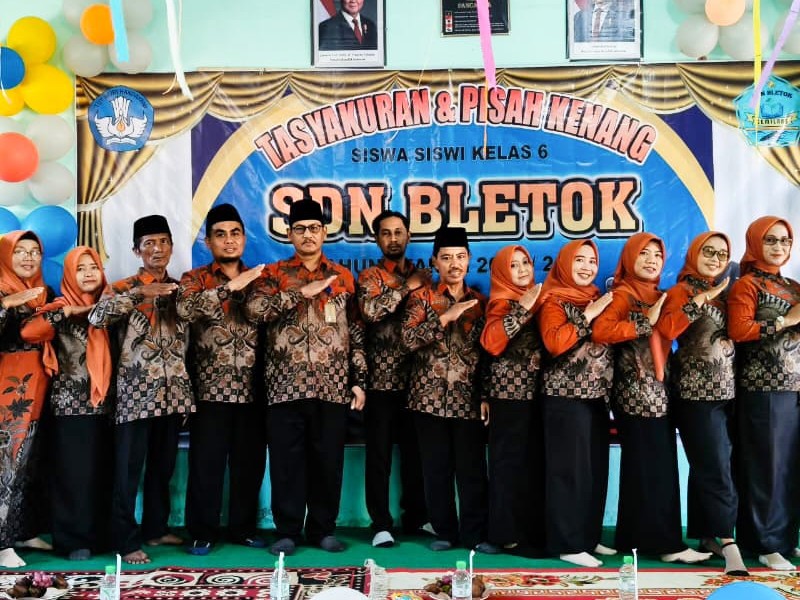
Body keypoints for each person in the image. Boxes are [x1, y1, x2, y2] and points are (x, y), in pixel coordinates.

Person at [245, 198, 367, 556]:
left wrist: (358, 379)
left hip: (332, 386)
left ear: (324, 232)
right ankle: (287, 531)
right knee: (287, 463)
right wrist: (299, 294)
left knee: (328, 461)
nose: (308, 234)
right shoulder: (273, 275)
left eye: (314, 228)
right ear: (289, 234)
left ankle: (323, 529)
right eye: (300, 229)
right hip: (285, 386)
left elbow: (356, 330)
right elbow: (254, 311)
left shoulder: (342, 277)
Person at [592, 232, 711, 564]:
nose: (651, 260)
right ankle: (665, 544)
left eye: (657, 255)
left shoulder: (660, 295)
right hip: (635, 395)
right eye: (644, 253)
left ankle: (633, 537)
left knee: (648, 467)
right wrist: (645, 323)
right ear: (630, 257)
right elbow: (601, 331)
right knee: (654, 468)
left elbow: (671, 330)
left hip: (660, 394)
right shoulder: (623, 294)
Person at [88, 215, 195, 565]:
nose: (157, 249)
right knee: (128, 472)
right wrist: (139, 294)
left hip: (173, 394)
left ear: (172, 247)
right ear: (137, 250)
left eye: (163, 241)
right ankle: (124, 539)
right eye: (149, 243)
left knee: (163, 468)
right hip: (135, 395)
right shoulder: (123, 287)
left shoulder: (181, 289)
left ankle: (156, 528)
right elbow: (96, 317)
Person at [177, 204, 268, 556]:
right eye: (220, 234)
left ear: (244, 238)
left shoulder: (263, 279)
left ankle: (243, 528)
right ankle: (202, 531)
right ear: (208, 241)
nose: (229, 240)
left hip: (253, 390)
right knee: (207, 465)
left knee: (249, 464)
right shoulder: (194, 279)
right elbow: (184, 310)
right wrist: (230, 288)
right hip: (209, 390)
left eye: (235, 233)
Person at [656, 231, 747, 576]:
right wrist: (701, 299)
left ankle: (707, 535)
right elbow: (667, 329)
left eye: (722, 254)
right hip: (695, 395)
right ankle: (729, 542)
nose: (715, 258)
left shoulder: (727, 292)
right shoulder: (680, 291)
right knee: (715, 467)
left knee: (714, 465)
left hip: (728, 393)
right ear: (694, 253)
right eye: (708, 251)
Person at [402, 225, 494, 554]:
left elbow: (489, 354)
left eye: (460, 256)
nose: (454, 264)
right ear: (434, 262)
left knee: (472, 471)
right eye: (446, 257)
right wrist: (445, 317)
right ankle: (444, 531)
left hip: (468, 400)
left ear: (469, 260)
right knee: (436, 469)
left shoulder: (481, 303)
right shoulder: (421, 299)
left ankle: (474, 534)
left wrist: (485, 395)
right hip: (427, 399)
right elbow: (407, 340)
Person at [21, 246, 113, 562]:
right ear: (69, 275)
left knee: (103, 472)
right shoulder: (59, 308)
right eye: (80, 268)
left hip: (110, 406)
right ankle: (73, 539)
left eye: (93, 267)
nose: (88, 274)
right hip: (71, 407)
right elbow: (30, 331)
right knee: (74, 475)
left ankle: (100, 536)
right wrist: (68, 312)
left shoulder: (111, 308)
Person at [536, 240, 615, 567]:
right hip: (564, 397)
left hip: (597, 397)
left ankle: (588, 537)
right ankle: (567, 543)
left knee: (594, 469)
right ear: (565, 264)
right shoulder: (553, 301)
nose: (587, 267)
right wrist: (588, 316)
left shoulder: (598, 297)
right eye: (579, 260)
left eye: (591, 261)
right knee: (569, 472)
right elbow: (555, 343)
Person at [727, 216, 800, 571]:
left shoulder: (794, 287)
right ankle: (764, 543)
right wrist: (786, 320)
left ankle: (785, 539)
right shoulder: (746, 285)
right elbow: (739, 330)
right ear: (756, 242)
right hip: (761, 389)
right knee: (764, 467)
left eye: (785, 241)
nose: (778, 247)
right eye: (770, 240)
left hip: (793, 388)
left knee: (788, 467)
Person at [357, 210, 429, 548]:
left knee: (417, 455)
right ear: (377, 239)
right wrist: (406, 287)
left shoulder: (423, 275)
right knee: (380, 457)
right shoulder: (370, 277)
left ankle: (418, 518)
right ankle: (381, 524)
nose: (393, 238)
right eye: (386, 233)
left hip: (419, 383)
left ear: (408, 235)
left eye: (399, 232)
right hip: (380, 382)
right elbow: (370, 312)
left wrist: (415, 284)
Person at [479, 245, 544, 554]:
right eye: (514, 265)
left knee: (533, 465)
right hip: (508, 397)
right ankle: (503, 534)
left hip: (538, 397)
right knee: (507, 466)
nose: (522, 270)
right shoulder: (500, 304)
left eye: (525, 263)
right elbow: (490, 346)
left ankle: (529, 531)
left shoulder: (540, 300)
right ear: (502, 272)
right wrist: (522, 309)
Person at [0, 231, 53, 569]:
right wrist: (6, 305)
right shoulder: (2, 290)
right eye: (20, 251)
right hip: (8, 390)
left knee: (30, 464)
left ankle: (25, 530)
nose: (28, 257)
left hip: (39, 386)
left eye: (35, 251)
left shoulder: (43, 292)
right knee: (6, 466)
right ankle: (2, 543)